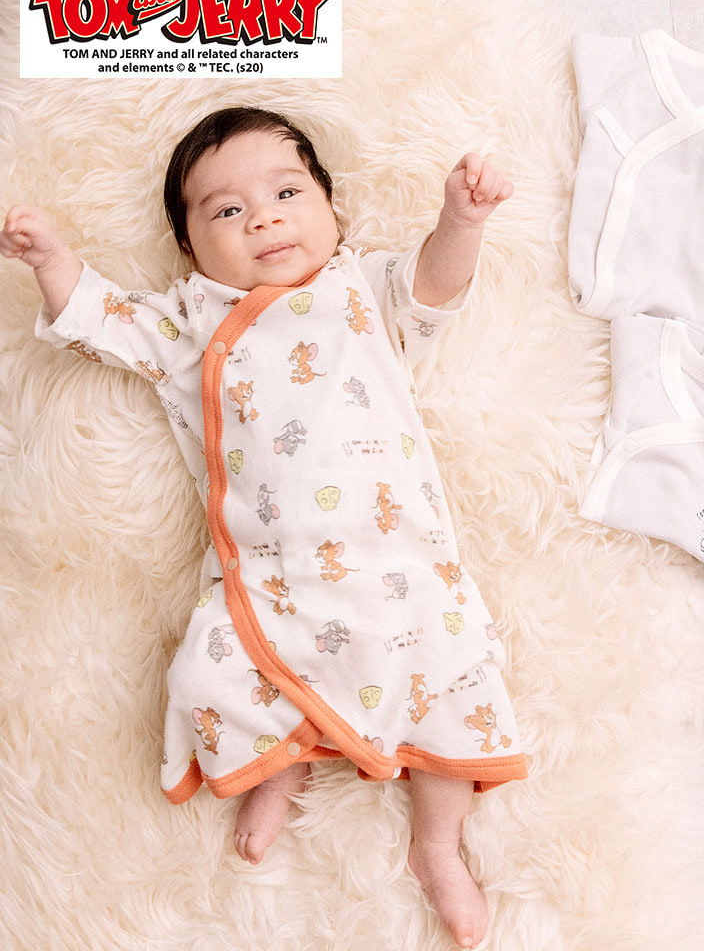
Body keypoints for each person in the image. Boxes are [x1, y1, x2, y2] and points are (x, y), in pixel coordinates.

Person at [1, 106, 527, 949]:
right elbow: (102, 322)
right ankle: (280, 770)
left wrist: (460, 220)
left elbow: (435, 285)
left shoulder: (360, 288)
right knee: (213, 671)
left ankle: (438, 848)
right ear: (189, 250)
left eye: (287, 193)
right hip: (271, 578)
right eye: (227, 210)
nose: (264, 220)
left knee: (452, 679)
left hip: (402, 564)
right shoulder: (195, 320)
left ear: (332, 209)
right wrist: (53, 261)